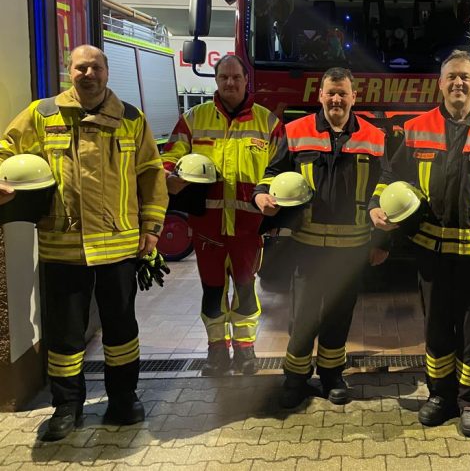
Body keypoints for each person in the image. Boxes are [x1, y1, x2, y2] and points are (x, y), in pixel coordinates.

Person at [0, 45, 168, 441]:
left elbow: (150, 174)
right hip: (64, 246)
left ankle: (124, 400)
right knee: (65, 335)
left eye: (95, 66)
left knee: (121, 329)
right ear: (68, 71)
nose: (87, 73)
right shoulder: (42, 115)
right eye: (80, 67)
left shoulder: (131, 119)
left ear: (107, 72)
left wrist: (152, 227)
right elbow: (6, 148)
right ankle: (67, 407)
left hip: (120, 246)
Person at [369, 50, 470, 438]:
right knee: (436, 325)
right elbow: (391, 174)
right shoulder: (416, 128)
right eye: (451, 76)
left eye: (465, 77)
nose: (458, 83)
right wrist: (376, 206)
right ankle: (440, 396)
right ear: (440, 83)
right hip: (430, 248)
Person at [253, 67, 389, 408]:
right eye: (331, 93)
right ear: (320, 95)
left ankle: (332, 376)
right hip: (307, 247)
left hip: (353, 248)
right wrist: (261, 196)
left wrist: (383, 242)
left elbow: (387, 186)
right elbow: (272, 173)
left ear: (354, 97)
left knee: (340, 314)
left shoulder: (374, 136)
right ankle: (295, 378)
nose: (336, 99)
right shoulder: (296, 131)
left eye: (343, 93)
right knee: (303, 315)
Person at [162, 55, 282, 376]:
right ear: (216, 80)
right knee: (212, 291)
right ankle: (216, 351)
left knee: (245, 290)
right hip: (207, 228)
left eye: (236, 77)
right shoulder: (192, 119)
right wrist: (169, 177)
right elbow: (171, 156)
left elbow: (279, 169)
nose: (230, 83)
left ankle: (245, 351)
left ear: (247, 80)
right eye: (224, 77)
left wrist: (272, 203)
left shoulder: (268, 123)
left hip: (248, 229)